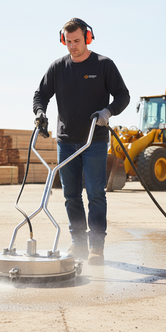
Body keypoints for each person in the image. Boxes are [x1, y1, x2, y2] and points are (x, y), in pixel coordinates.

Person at [33, 18, 130, 265]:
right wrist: (39, 112)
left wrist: (108, 112)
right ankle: (78, 244)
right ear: (62, 40)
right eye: (68, 41)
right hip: (66, 141)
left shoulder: (104, 65)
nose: (72, 46)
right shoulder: (57, 68)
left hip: (94, 140)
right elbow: (41, 94)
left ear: (87, 38)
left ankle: (97, 246)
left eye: (77, 41)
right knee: (71, 195)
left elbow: (123, 95)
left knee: (96, 192)